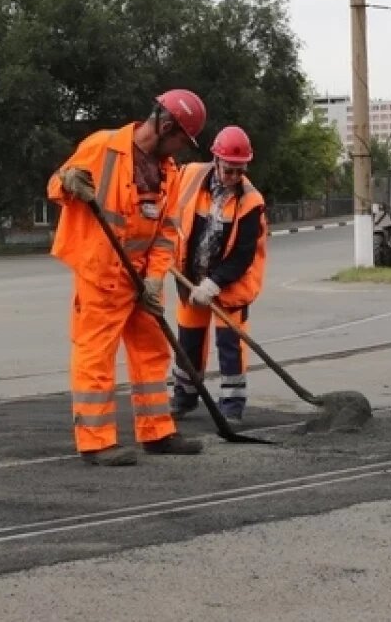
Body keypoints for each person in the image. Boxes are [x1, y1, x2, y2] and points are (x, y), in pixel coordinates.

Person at [47, 89, 208, 467]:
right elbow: (56, 185)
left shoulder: (168, 172)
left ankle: (157, 432)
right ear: (166, 125)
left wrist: (153, 279)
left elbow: (167, 230)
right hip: (101, 274)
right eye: (182, 139)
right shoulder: (102, 146)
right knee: (96, 357)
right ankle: (96, 441)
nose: (182, 149)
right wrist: (68, 182)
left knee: (152, 350)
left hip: (141, 278)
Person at [169, 125, 268, 422]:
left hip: (230, 285)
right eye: (229, 170)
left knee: (230, 346)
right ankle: (184, 398)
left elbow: (243, 254)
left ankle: (231, 408)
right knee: (188, 341)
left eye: (240, 171)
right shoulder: (189, 177)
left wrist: (214, 283)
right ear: (216, 161)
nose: (234, 177)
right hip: (190, 279)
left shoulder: (251, 202)